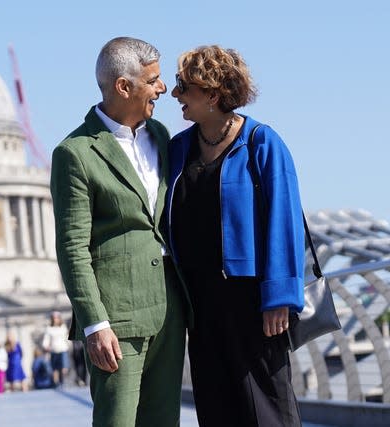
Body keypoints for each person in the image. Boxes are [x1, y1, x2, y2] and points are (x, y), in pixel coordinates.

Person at [50, 36, 191, 427]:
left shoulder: (161, 136)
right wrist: (95, 323)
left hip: (168, 309)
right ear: (123, 87)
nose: (163, 88)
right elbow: (72, 246)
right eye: (154, 80)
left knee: (165, 421)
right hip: (116, 319)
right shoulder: (75, 152)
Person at [166, 45, 304, 427]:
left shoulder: (262, 142)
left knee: (267, 409)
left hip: (254, 303)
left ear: (212, 94)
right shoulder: (178, 149)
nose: (175, 95)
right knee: (216, 408)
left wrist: (279, 297)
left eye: (183, 86)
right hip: (200, 304)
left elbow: (285, 220)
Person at [41, 311, 70, 387]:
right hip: (53, 350)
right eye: (54, 318)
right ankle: (57, 383)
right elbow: (46, 339)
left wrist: (69, 345)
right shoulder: (49, 329)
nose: (55, 319)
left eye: (57, 318)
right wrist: (45, 346)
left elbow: (66, 338)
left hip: (63, 349)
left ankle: (63, 381)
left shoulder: (63, 327)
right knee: (55, 368)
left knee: (64, 367)